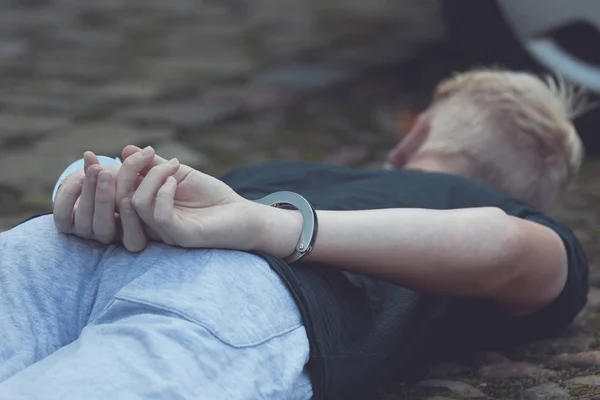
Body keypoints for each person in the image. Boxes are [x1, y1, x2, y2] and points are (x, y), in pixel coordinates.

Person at [0, 69, 589, 400]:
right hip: (227, 290)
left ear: (415, 138)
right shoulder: (515, 215)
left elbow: (506, 245)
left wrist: (262, 222)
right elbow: (510, 251)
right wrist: (103, 195)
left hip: (85, 259)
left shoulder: (496, 210)